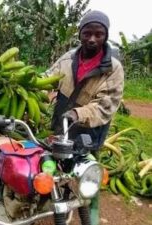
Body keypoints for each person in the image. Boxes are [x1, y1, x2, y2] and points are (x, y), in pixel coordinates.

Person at [45, 10, 124, 225]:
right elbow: (48, 79)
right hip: (62, 128)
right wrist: (33, 90)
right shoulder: (68, 58)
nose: (91, 39)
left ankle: (91, 217)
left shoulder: (113, 69)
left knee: (88, 177)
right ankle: (57, 206)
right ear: (80, 33)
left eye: (98, 34)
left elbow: (106, 106)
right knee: (56, 171)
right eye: (87, 33)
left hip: (89, 132)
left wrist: (77, 113)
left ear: (105, 36)